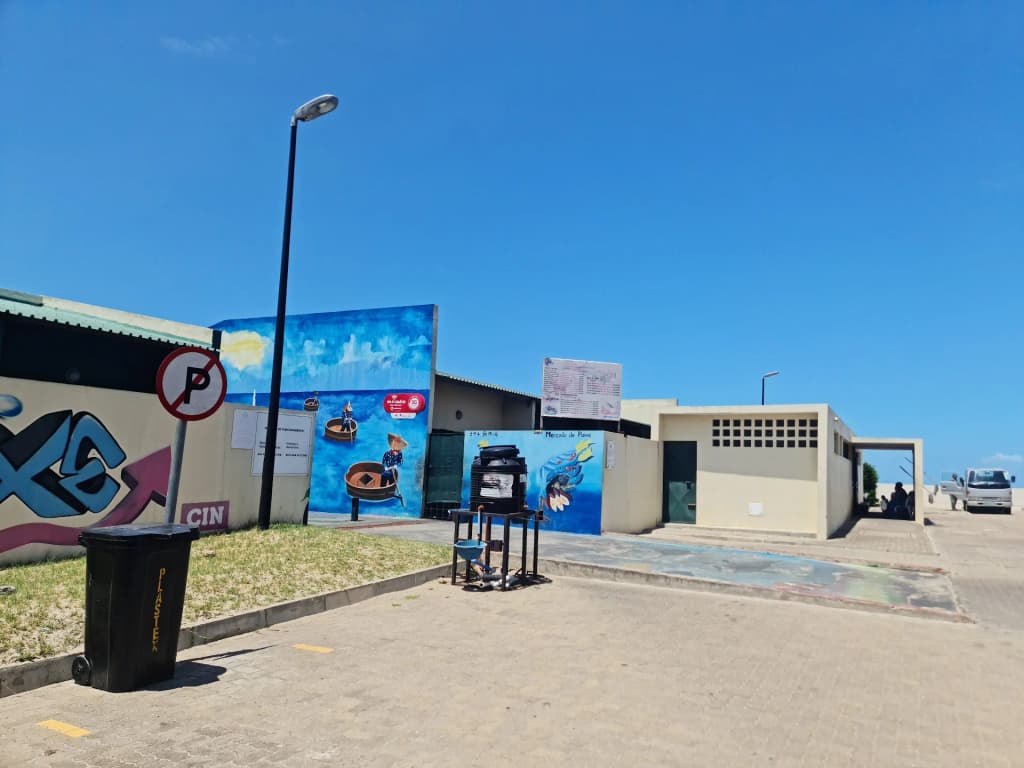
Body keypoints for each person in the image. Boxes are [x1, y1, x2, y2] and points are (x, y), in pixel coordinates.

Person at [381, 433, 408, 506]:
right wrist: (386, 467)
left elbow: (400, 462)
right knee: (384, 476)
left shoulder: (400, 454)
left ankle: (390, 493)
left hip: (394, 470)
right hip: (387, 470)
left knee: (392, 480)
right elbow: (383, 462)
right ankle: (382, 491)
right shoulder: (387, 453)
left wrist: (395, 466)